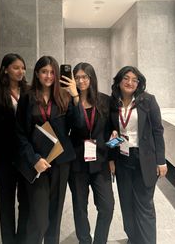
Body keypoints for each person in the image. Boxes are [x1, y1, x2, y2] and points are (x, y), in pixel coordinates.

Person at [15, 55, 76, 244]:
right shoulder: (27, 97)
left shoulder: (64, 97)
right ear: (37, 73)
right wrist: (34, 159)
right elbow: (20, 133)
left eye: (52, 72)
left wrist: (75, 95)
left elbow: (79, 125)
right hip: (38, 163)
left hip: (60, 163)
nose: (48, 76)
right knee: (39, 220)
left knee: (55, 217)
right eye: (44, 72)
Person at [109, 66, 168, 244]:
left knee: (144, 206)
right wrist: (111, 154)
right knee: (127, 204)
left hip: (145, 160)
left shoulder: (148, 101)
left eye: (135, 80)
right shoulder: (113, 103)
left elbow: (158, 131)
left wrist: (161, 160)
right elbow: (112, 135)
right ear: (119, 81)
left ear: (139, 83)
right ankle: (133, 239)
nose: (130, 82)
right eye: (126, 78)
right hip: (122, 158)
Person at [61, 62, 114, 244]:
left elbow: (113, 131)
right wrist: (75, 98)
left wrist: (112, 154)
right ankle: (84, 240)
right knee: (80, 207)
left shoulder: (105, 100)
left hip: (100, 161)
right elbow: (77, 125)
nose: (81, 80)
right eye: (77, 77)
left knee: (107, 206)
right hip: (77, 163)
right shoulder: (67, 102)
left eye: (85, 77)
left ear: (92, 78)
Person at [0, 53, 28, 244]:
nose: (21, 71)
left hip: (26, 157)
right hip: (4, 159)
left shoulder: (30, 92)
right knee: (6, 205)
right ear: (6, 69)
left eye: (23, 67)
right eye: (16, 67)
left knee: (26, 204)